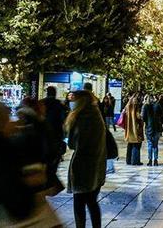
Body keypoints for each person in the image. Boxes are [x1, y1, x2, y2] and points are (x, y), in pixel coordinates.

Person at [65, 90, 107, 228]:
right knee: (92, 202)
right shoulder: (97, 115)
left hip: (81, 167)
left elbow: (72, 144)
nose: (72, 103)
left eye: (74, 100)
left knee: (79, 203)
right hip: (97, 165)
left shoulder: (79, 118)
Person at [141, 95, 163, 166]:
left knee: (150, 144)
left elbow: (143, 118)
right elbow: (162, 114)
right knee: (155, 145)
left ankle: (150, 160)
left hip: (149, 128)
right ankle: (156, 160)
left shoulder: (145, 106)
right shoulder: (157, 105)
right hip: (157, 127)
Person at [122, 95, 144, 165]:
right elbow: (138, 117)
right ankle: (135, 161)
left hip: (129, 130)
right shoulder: (135, 108)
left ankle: (128, 160)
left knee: (130, 144)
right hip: (135, 129)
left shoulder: (127, 108)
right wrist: (141, 119)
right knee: (136, 144)